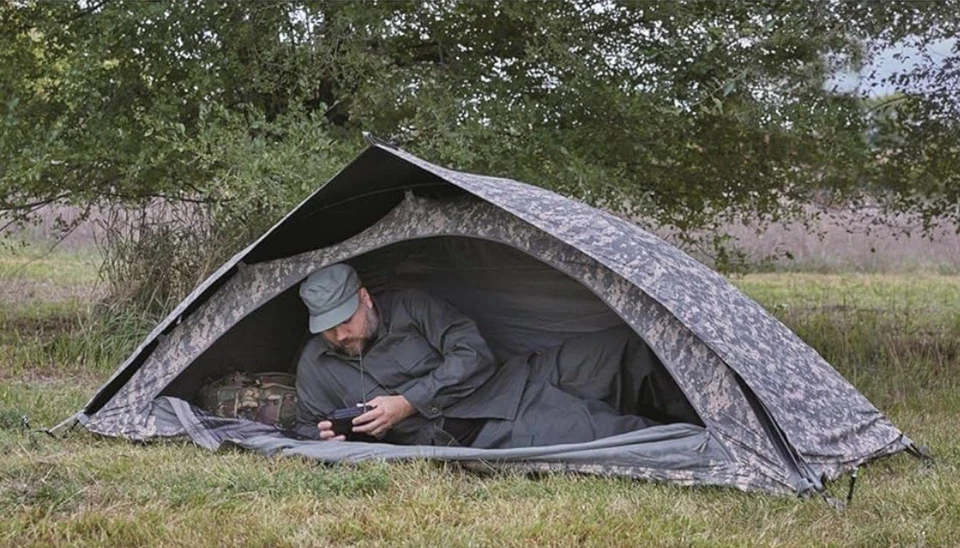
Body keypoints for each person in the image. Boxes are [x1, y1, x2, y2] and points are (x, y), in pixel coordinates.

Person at [292, 263, 699, 448]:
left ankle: (720, 418)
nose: (339, 334)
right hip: (485, 426)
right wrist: (329, 437)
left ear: (365, 299)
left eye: (345, 320)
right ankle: (705, 442)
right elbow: (308, 428)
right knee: (619, 435)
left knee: (626, 350)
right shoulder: (315, 364)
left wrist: (407, 403)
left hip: (513, 377)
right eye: (327, 327)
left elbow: (474, 354)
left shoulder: (412, 306)